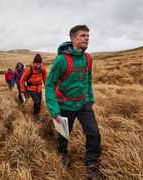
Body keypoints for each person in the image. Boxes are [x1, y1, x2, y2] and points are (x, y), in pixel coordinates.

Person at [45, 25, 104, 179]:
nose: (87, 38)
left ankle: (92, 166)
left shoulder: (88, 58)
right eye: (83, 35)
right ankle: (62, 153)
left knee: (94, 133)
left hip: (84, 104)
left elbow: (88, 80)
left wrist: (90, 99)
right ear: (72, 38)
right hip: (65, 106)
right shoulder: (61, 60)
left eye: (88, 36)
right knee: (64, 134)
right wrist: (54, 111)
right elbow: (50, 85)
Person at [20, 54, 47, 123]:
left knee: (39, 103)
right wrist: (22, 90)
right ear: (34, 63)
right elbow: (22, 80)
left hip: (39, 88)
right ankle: (36, 116)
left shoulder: (43, 69)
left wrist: (47, 86)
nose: (38, 65)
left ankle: (36, 112)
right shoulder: (29, 69)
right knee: (37, 102)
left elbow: (45, 78)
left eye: (39, 64)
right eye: (36, 64)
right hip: (31, 89)